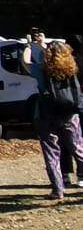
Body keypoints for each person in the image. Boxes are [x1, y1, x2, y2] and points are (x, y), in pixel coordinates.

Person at [32, 40, 83, 202]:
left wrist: (29, 46)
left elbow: (25, 62)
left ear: (47, 55)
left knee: (52, 153)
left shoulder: (40, 70)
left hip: (47, 115)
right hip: (69, 115)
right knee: (79, 150)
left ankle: (58, 190)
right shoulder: (71, 69)